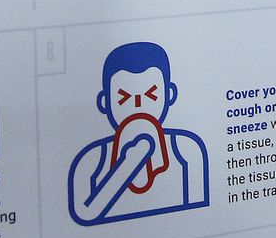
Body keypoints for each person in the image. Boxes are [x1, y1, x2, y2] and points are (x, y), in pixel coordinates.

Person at [68, 41, 210, 226]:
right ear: (105, 102)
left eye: (151, 95)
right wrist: (128, 164)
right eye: (124, 97)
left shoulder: (185, 150)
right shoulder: (92, 161)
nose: (137, 104)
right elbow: (84, 214)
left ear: (170, 94)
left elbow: (199, 214)